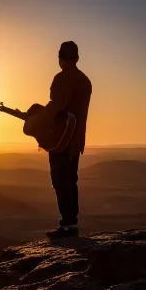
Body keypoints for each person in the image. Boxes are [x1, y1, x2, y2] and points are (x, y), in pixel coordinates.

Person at [44, 41, 92, 238]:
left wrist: (36, 118)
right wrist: (79, 139)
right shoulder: (85, 81)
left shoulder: (61, 78)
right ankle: (71, 223)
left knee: (59, 179)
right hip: (77, 138)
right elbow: (82, 114)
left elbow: (57, 107)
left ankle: (68, 225)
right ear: (77, 58)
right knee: (71, 179)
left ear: (60, 58)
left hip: (60, 138)